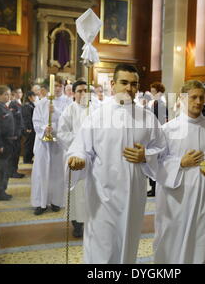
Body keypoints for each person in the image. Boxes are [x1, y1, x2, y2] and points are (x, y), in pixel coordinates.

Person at [67, 64, 166, 263]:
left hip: (133, 195)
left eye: (134, 84)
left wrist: (145, 155)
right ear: (113, 85)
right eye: (124, 83)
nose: (129, 88)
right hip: (103, 196)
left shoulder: (147, 118)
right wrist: (77, 158)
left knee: (128, 243)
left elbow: (162, 150)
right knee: (102, 246)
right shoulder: (97, 116)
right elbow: (81, 147)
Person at [153, 80, 205, 264]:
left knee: (199, 239)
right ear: (182, 98)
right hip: (173, 198)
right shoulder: (167, 129)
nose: (197, 101)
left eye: (201, 98)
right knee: (170, 238)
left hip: (200, 196)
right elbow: (155, 163)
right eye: (193, 97)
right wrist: (181, 162)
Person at [57, 80, 93, 238]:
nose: (83, 93)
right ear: (73, 93)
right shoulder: (69, 111)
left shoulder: (96, 110)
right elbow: (62, 133)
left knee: (91, 191)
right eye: (79, 91)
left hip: (93, 158)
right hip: (76, 157)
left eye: (86, 90)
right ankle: (77, 224)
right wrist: (80, 141)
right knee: (76, 192)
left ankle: (92, 222)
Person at [31, 77, 71, 215]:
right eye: (55, 85)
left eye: (60, 85)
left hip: (58, 143)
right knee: (41, 172)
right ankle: (40, 203)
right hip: (43, 142)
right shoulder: (41, 103)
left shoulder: (68, 102)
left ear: (63, 87)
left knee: (57, 173)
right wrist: (43, 128)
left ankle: (56, 201)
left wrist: (56, 113)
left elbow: (69, 121)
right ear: (50, 87)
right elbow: (35, 121)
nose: (58, 88)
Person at [8, 87, 25, 178]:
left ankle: (14, 170)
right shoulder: (13, 104)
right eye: (18, 92)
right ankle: (12, 172)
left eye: (21, 92)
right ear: (14, 94)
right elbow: (12, 120)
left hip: (18, 133)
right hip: (14, 134)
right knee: (13, 154)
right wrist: (14, 133)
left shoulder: (18, 104)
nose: (20, 94)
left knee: (17, 153)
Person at [22, 91, 36, 164]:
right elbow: (27, 118)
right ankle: (26, 159)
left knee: (31, 143)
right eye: (34, 96)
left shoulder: (31, 105)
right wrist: (28, 128)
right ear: (29, 97)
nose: (35, 98)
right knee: (28, 144)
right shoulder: (27, 105)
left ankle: (29, 158)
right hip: (29, 128)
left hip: (32, 127)